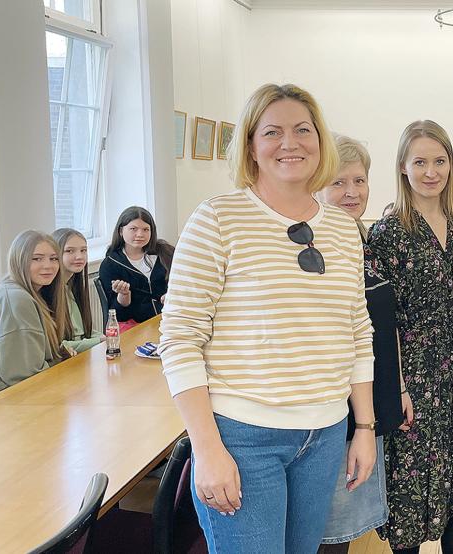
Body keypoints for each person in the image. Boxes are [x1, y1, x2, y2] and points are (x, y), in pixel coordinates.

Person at [158, 83, 376, 553]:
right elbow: (179, 338)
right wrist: (208, 449)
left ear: (321, 141)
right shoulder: (217, 219)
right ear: (252, 146)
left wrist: (364, 427)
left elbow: (358, 329)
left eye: (303, 130)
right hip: (242, 437)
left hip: (326, 433)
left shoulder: (343, 227)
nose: (290, 143)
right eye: (272, 131)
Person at [368, 120, 453, 554]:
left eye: (439, 160)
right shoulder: (388, 234)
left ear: (451, 165)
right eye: (420, 161)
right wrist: (397, 387)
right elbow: (381, 323)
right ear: (403, 168)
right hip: (410, 375)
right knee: (409, 493)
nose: (430, 171)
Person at [316, 135, 414, 553]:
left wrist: (399, 389)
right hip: (326, 410)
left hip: (363, 402)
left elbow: (375, 326)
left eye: (359, 180)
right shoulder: (311, 242)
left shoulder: (361, 239)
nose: (351, 192)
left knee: (344, 527)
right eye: (339, 183)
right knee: (326, 530)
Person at [0, 231, 69, 394]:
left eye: (53, 259)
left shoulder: (29, 292)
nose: (48, 266)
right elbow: (23, 377)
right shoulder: (16, 299)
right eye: (36, 259)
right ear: (18, 260)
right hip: (8, 401)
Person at [98, 206, 173, 324]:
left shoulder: (166, 252)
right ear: (121, 231)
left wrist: (172, 295)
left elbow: (185, 283)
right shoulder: (110, 265)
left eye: (146, 229)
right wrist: (124, 295)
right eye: (133, 229)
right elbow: (116, 315)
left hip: (171, 319)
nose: (140, 234)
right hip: (138, 327)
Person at [53, 228, 104, 353]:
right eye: (70, 251)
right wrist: (99, 340)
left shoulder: (71, 287)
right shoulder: (51, 294)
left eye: (83, 250)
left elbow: (83, 333)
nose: (79, 256)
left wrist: (104, 337)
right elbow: (60, 346)